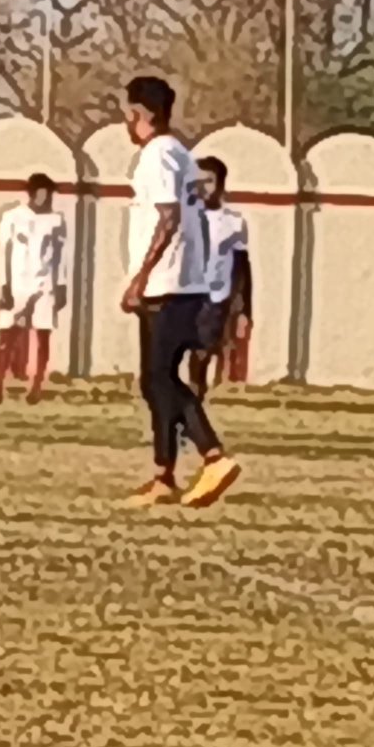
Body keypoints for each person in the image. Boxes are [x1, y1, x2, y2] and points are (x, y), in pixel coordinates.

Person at [119, 76, 240, 509]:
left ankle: (213, 456)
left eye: (128, 113)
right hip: (183, 281)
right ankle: (163, 476)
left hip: (166, 284)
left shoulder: (158, 155)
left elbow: (168, 218)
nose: (126, 123)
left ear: (141, 114)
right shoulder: (183, 156)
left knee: (159, 378)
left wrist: (140, 277)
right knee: (156, 382)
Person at [0, 173, 66, 405]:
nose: (48, 197)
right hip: (17, 284)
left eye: (50, 193)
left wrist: (60, 286)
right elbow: (4, 253)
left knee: (43, 337)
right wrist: (4, 286)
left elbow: (60, 257)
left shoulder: (56, 221)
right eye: (44, 192)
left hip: (44, 286)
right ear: (33, 193)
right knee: (6, 336)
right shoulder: (12, 217)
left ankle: (36, 388)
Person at [190, 156, 253, 401]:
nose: (203, 187)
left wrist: (245, 308)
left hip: (214, 296)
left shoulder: (233, 222)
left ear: (220, 184)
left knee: (202, 351)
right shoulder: (184, 218)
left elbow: (242, 266)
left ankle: (196, 394)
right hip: (183, 293)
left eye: (208, 181)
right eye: (198, 182)